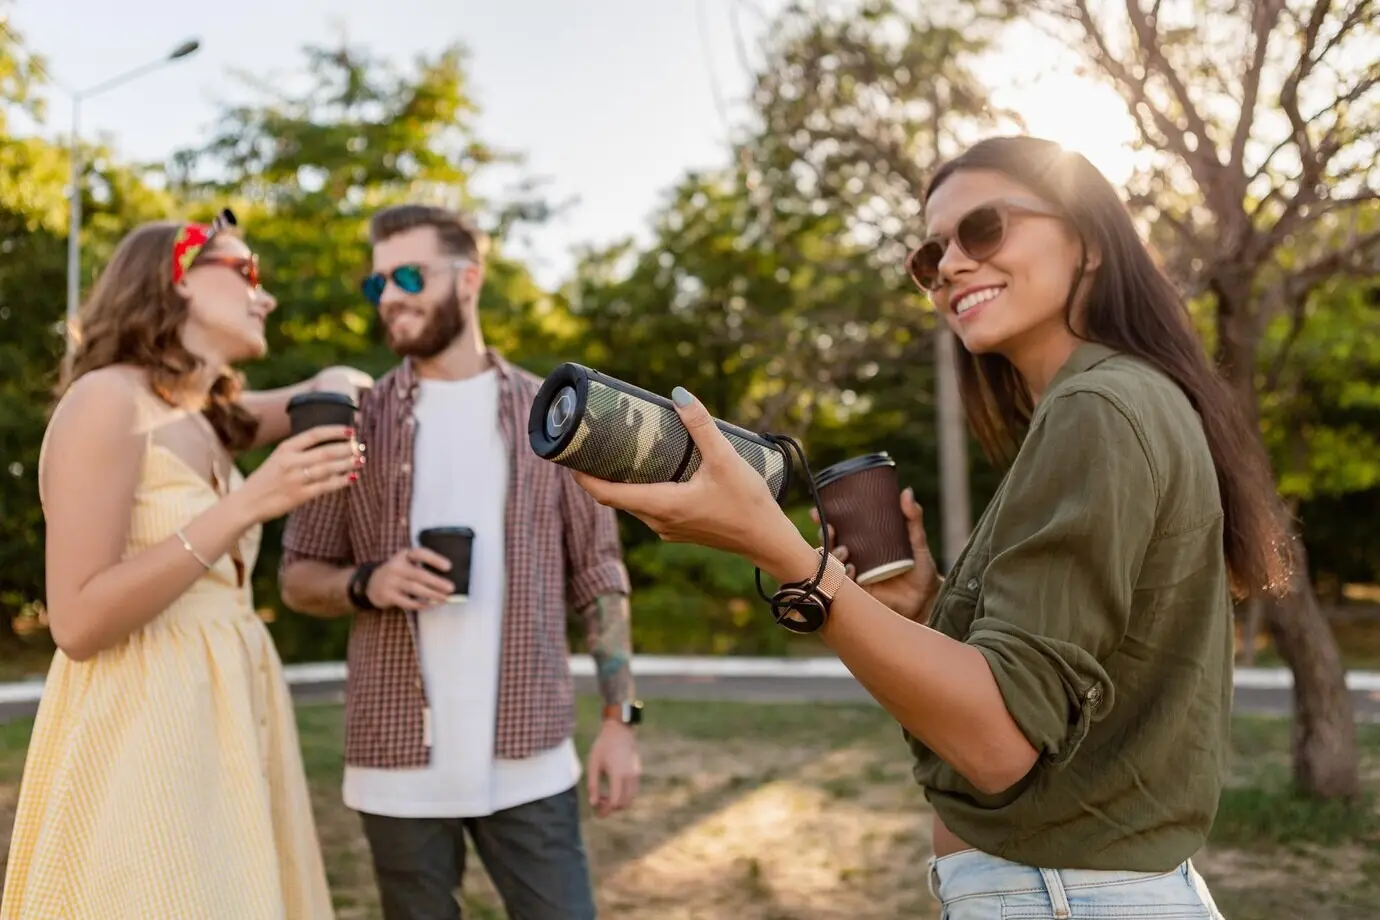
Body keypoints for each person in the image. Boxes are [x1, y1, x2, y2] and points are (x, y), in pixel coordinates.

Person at [571, 136, 1293, 918]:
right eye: (930, 254)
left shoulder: (1098, 407)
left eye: (983, 230)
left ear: (1086, 241)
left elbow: (998, 745)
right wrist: (923, 604)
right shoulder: (1112, 401)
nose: (949, 266)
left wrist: (779, 551)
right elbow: (1061, 689)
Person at [1, 209, 369, 920]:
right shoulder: (106, 400)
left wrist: (345, 380)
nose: (266, 295)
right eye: (246, 269)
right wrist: (246, 504)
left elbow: (325, 391)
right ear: (176, 277)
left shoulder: (207, 416)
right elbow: (75, 621)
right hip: (145, 724)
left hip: (227, 715)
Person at [278, 203, 641, 920]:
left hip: (530, 757)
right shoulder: (354, 423)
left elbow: (600, 575)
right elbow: (296, 575)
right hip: (395, 769)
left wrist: (620, 722)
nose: (390, 295)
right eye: (377, 282)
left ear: (469, 278)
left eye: (409, 273)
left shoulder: (557, 415)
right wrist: (368, 582)